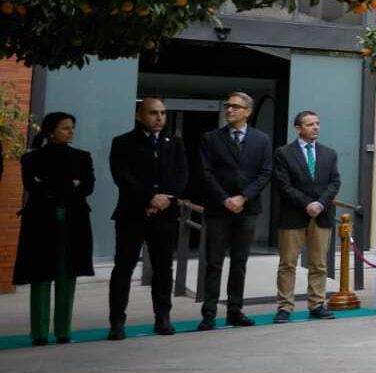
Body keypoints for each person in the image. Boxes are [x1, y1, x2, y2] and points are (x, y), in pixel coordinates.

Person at [108, 97, 188, 340]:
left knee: (164, 268)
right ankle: (117, 322)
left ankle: (162, 318)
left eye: (162, 113)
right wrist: (149, 199)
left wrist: (165, 199)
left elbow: (182, 175)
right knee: (124, 267)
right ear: (139, 115)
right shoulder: (123, 143)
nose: (159, 118)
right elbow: (123, 176)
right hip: (133, 214)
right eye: (153, 113)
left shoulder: (174, 143)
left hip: (165, 215)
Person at [15, 113, 94, 346]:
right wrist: (69, 184)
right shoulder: (31, 159)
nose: (71, 132)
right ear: (51, 131)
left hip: (73, 221)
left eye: (72, 128)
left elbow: (87, 187)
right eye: (65, 128)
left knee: (66, 274)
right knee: (41, 274)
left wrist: (52, 185)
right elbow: (33, 186)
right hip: (41, 221)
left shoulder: (81, 157)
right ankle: (39, 332)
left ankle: (63, 331)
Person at [197, 92, 273, 330]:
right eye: (228, 106)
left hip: (247, 209)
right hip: (219, 209)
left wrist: (244, 197)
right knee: (214, 262)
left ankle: (235, 310)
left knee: (239, 262)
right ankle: (208, 314)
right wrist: (225, 199)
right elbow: (205, 172)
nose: (230, 110)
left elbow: (265, 173)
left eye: (236, 107)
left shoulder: (261, 140)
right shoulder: (210, 138)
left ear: (248, 112)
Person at [270, 110, 342, 323]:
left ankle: (317, 304)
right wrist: (306, 203)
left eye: (317, 123)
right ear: (298, 128)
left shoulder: (329, 153)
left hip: (321, 216)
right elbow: (283, 185)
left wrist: (320, 203)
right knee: (287, 264)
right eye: (310, 124)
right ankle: (285, 307)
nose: (316, 127)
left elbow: (335, 182)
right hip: (293, 216)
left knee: (319, 264)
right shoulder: (283, 153)